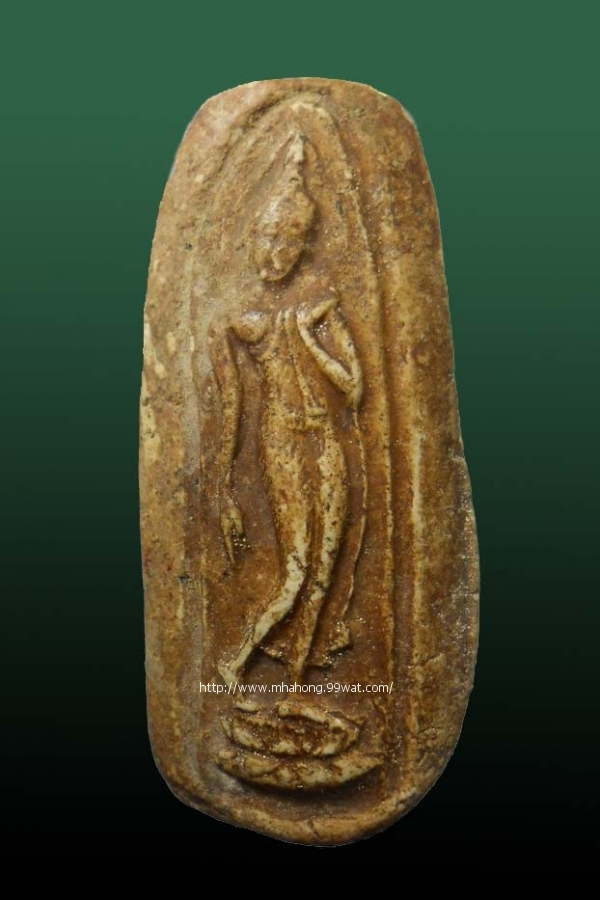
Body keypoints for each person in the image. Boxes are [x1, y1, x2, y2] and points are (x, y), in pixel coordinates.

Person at [209, 132, 365, 686]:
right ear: (253, 237)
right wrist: (223, 485)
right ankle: (236, 663)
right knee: (296, 572)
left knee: (325, 569)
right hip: (280, 441)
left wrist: (309, 339)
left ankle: (296, 681)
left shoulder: (321, 309)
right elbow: (231, 406)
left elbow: (354, 390)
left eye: (289, 242)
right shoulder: (238, 321)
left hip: (324, 439)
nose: (276, 254)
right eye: (268, 239)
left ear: (304, 248)